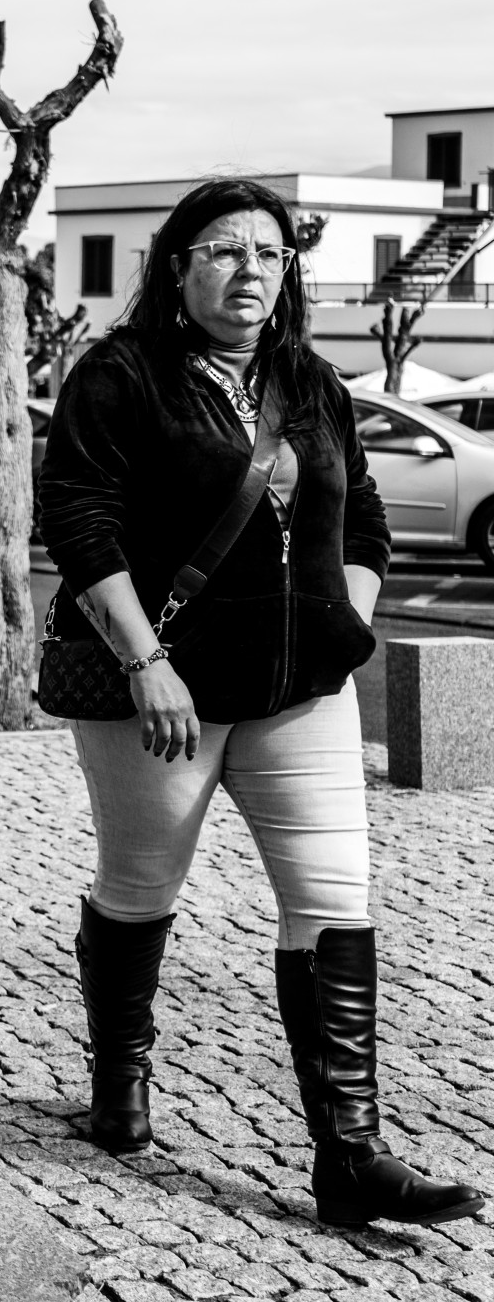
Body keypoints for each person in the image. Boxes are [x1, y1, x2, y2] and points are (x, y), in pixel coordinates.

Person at [39, 177, 481, 1227]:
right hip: (166, 695)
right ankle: (119, 1083)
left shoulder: (309, 379)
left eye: (271, 255)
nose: (252, 271)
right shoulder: (120, 374)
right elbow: (81, 521)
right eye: (227, 251)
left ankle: (350, 1155)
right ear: (178, 265)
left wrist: (347, 620)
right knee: (141, 885)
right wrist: (145, 659)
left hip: (299, 692)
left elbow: (363, 517)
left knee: (333, 899)